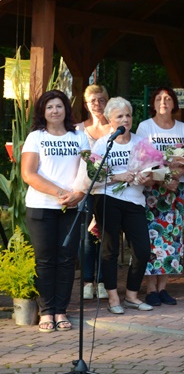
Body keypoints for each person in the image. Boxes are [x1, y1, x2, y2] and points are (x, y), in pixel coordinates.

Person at [21, 89, 90, 332]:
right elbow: (28, 174)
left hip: (72, 208)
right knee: (45, 260)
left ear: (66, 109)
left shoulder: (79, 137)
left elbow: (88, 170)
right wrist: (61, 193)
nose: (54, 111)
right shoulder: (36, 137)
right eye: (49, 107)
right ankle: (46, 311)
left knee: (67, 260)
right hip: (41, 207)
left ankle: (61, 310)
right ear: (43, 111)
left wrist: (78, 194)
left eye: (59, 106)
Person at [92, 97, 154, 314]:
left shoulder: (141, 142)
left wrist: (148, 177)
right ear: (110, 120)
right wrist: (117, 177)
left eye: (128, 115)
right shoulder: (103, 144)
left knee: (142, 250)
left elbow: (153, 173)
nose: (125, 120)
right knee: (110, 251)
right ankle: (113, 298)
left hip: (135, 201)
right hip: (107, 199)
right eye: (120, 116)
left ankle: (131, 296)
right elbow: (93, 177)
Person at [136, 86, 184, 306]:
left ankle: (163, 288)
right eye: (159, 98)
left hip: (175, 190)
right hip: (153, 191)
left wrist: (174, 176)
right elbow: (140, 159)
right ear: (153, 103)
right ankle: (150, 289)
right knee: (152, 239)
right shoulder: (145, 127)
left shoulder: (183, 128)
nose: (163, 102)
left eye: (168, 98)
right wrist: (163, 179)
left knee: (172, 237)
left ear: (174, 103)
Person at [75, 84, 111, 301]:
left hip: (110, 190)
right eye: (93, 101)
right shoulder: (77, 130)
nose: (97, 104)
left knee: (107, 237)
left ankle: (103, 281)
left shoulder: (115, 128)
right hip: (86, 191)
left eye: (101, 100)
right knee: (88, 238)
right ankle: (88, 281)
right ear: (86, 105)